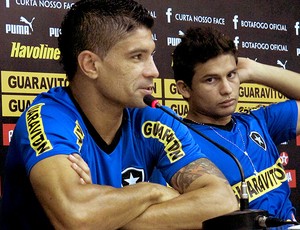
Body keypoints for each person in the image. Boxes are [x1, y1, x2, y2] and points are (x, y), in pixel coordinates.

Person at [1, 1, 238, 229]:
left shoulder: (152, 117)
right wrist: (152, 191)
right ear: (90, 65)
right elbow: (77, 216)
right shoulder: (49, 117)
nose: (154, 71)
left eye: (151, 55)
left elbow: (222, 202)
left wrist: (104, 215)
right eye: (137, 57)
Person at [169, 26, 300, 221]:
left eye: (231, 75)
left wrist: (256, 71)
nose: (227, 89)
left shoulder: (258, 120)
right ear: (184, 88)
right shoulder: (179, 145)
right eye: (211, 80)